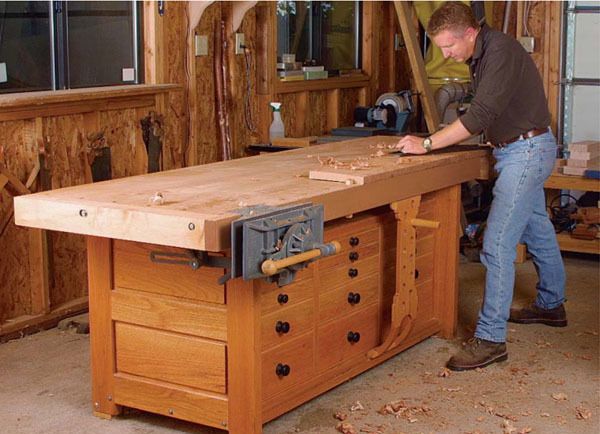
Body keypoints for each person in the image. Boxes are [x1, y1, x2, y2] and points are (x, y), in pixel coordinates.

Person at [396, 2, 567, 371]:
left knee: (497, 245)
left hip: (526, 153)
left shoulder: (501, 51)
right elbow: (491, 111)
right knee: (537, 230)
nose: (446, 54)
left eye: (448, 47)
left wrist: (426, 144)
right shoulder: (483, 52)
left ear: (469, 33)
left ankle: (491, 339)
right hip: (518, 149)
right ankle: (552, 305)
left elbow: (480, 115)